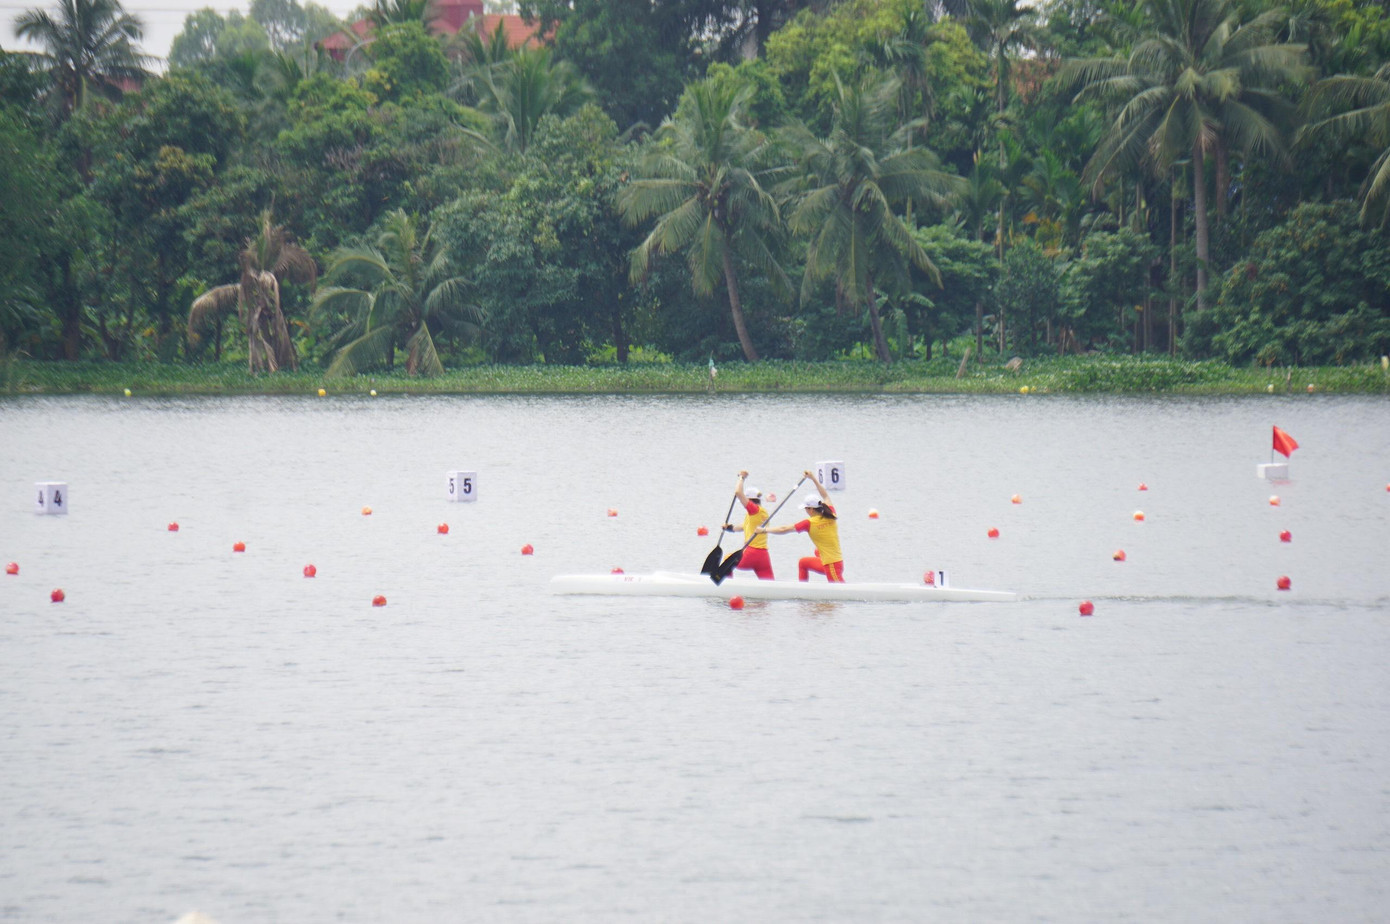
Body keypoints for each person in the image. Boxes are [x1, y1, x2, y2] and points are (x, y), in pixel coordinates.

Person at [759, 470, 843, 582]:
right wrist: (813, 478)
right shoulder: (831, 513)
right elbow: (825, 495)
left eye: (806, 508)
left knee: (839, 592)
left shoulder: (809, 523)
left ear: (811, 509)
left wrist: (764, 530)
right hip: (827, 562)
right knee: (803, 563)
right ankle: (802, 589)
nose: (805, 511)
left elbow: (784, 529)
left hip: (832, 564)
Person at [723, 470, 774, 580]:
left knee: (728, 559)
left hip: (752, 554)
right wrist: (730, 528)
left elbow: (738, 492)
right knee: (769, 586)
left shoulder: (754, 510)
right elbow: (743, 527)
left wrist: (741, 478)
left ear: (750, 500)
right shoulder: (761, 512)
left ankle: (728, 587)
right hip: (763, 556)